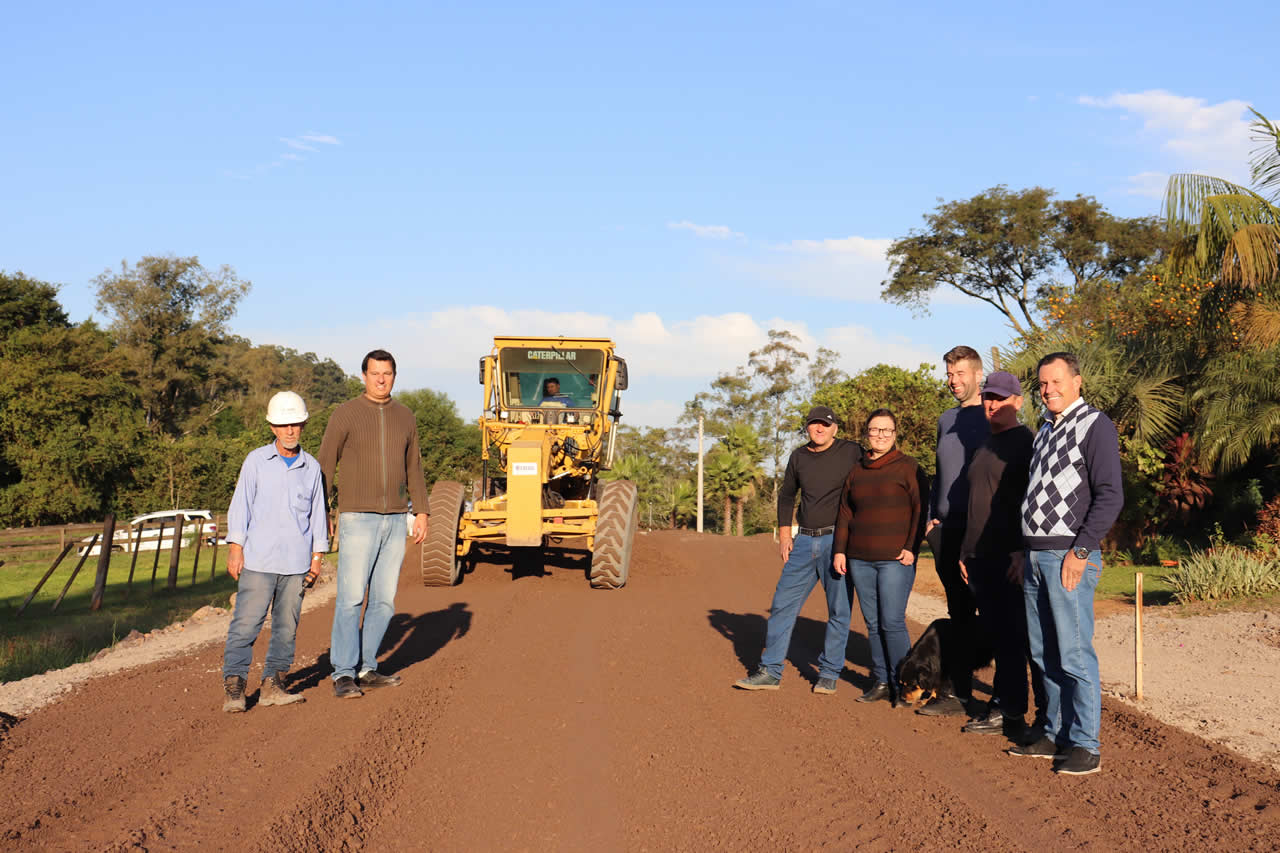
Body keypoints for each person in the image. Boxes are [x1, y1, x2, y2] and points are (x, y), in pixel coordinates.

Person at [1009, 352, 1123, 776]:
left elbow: (1110, 494)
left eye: (1056, 381)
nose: (1048, 389)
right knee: (1043, 654)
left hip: (1068, 556)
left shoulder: (1095, 425)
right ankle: (1053, 731)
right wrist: (1024, 549)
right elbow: (1037, 493)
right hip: (1035, 556)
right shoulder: (1044, 431)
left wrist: (1080, 552)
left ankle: (1086, 745)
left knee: (1074, 653)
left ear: (1077, 382)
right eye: (1042, 383)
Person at [318, 349, 430, 699]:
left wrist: (422, 510)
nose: (381, 379)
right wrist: (322, 512)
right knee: (351, 598)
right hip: (357, 517)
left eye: (388, 373)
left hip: (396, 518)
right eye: (375, 373)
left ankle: (368, 668)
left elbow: (414, 466)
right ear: (363, 376)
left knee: (383, 601)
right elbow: (325, 463)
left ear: (395, 376)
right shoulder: (345, 414)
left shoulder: (405, 416)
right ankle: (343, 673)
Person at [733, 406, 862, 694]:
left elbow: (872, 482)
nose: (819, 429)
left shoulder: (852, 452)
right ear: (807, 428)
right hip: (803, 541)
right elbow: (787, 495)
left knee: (839, 610)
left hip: (837, 542)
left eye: (825, 425)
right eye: (814, 424)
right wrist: (783, 533)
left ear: (835, 429)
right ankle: (770, 671)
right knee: (782, 605)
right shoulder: (799, 457)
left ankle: (829, 673)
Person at [221, 391, 327, 713]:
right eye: (283, 425)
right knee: (246, 624)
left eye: (295, 424)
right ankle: (235, 688)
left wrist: (317, 557)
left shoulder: (312, 468)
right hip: (259, 560)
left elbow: (318, 516)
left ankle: (273, 685)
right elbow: (240, 507)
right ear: (272, 428)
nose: (290, 431)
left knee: (286, 627)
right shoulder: (255, 461)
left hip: (296, 564)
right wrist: (235, 549)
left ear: (304, 425)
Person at [956, 371, 1047, 740]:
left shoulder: (1026, 443)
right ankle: (1005, 705)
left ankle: (1011, 713)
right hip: (979, 555)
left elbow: (1032, 503)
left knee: (1013, 640)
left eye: (1000, 398)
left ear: (1018, 402)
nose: (992, 404)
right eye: (988, 398)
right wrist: (965, 551)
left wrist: (1023, 550)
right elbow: (977, 502)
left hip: (1008, 558)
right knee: (998, 636)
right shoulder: (985, 445)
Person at [833, 409, 928, 706]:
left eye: (887, 430)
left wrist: (912, 546)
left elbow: (920, 509)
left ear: (895, 434)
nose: (881, 435)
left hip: (894, 560)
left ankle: (905, 684)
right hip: (859, 558)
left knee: (892, 622)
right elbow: (845, 512)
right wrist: (839, 549)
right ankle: (882, 680)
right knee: (873, 623)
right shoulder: (857, 471)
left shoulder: (908, 467)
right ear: (867, 434)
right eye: (875, 430)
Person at [920, 345, 989, 716]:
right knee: (958, 612)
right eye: (949, 374)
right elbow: (938, 473)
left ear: (978, 375)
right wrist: (932, 519)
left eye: (960, 373)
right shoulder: (946, 419)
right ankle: (958, 694)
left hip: (979, 532)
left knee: (991, 613)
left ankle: (1001, 698)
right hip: (945, 531)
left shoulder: (992, 414)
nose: (953, 381)